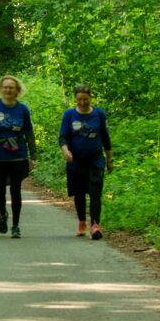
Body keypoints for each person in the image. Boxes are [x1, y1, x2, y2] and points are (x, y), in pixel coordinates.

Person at [0, 76, 37, 239]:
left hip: (18, 156)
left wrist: (33, 155)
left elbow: (29, 134)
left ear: (17, 90)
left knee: (15, 191)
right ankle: (3, 213)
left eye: (11, 87)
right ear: (0, 88)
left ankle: (16, 225)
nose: (8, 90)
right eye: (5, 87)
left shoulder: (23, 109)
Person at [59, 84, 113, 240]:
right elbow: (63, 137)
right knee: (79, 193)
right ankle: (82, 221)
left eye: (85, 99)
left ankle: (95, 225)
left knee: (95, 192)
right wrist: (66, 151)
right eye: (79, 99)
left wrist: (109, 159)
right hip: (75, 161)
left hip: (95, 160)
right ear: (75, 99)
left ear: (90, 98)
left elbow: (105, 137)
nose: (82, 102)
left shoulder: (99, 114)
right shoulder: (69, 115)